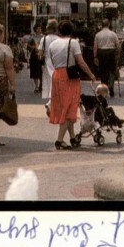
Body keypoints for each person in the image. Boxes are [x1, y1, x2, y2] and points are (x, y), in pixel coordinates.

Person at [45, 21, 96, 150]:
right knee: (70, 107)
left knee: (64, 106)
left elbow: (52, 60)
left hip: (57, 75)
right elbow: (81, 62)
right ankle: (59, 140)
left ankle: (72, 137)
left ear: (59, 31)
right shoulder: (73, 42)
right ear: (71, 31)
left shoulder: (53, 44)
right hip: (69, 77)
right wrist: (91, 74)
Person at [93, 22, 120, 95]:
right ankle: (111, 85)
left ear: (102, 25)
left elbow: (95, 46)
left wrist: (95, 56)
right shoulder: (113, 34)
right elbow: (118, 45)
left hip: (101, 52)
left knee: (103, 71)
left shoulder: (98, 34)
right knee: (111, 71)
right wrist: (118, 55)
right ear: (108, 25)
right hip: (111, 52)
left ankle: (104, 89)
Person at [41, 17, 59, 112]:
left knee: (50, 83)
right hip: (57, 62)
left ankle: (51, 102)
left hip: (47, 62)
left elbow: (40, 52)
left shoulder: (44, 39)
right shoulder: (59, 39)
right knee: (55, 83)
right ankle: (51, 103)